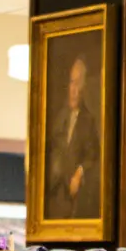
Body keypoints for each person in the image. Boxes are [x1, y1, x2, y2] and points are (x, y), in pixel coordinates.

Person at [45, 51, 101, 217]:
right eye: (72, 83)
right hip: (54, 192)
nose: (74, 90)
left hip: (74, 197)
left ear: (84, 88)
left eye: (79, 84)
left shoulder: (88, 120)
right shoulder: (58, 118)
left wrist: (79, 172)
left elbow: (93, 155)